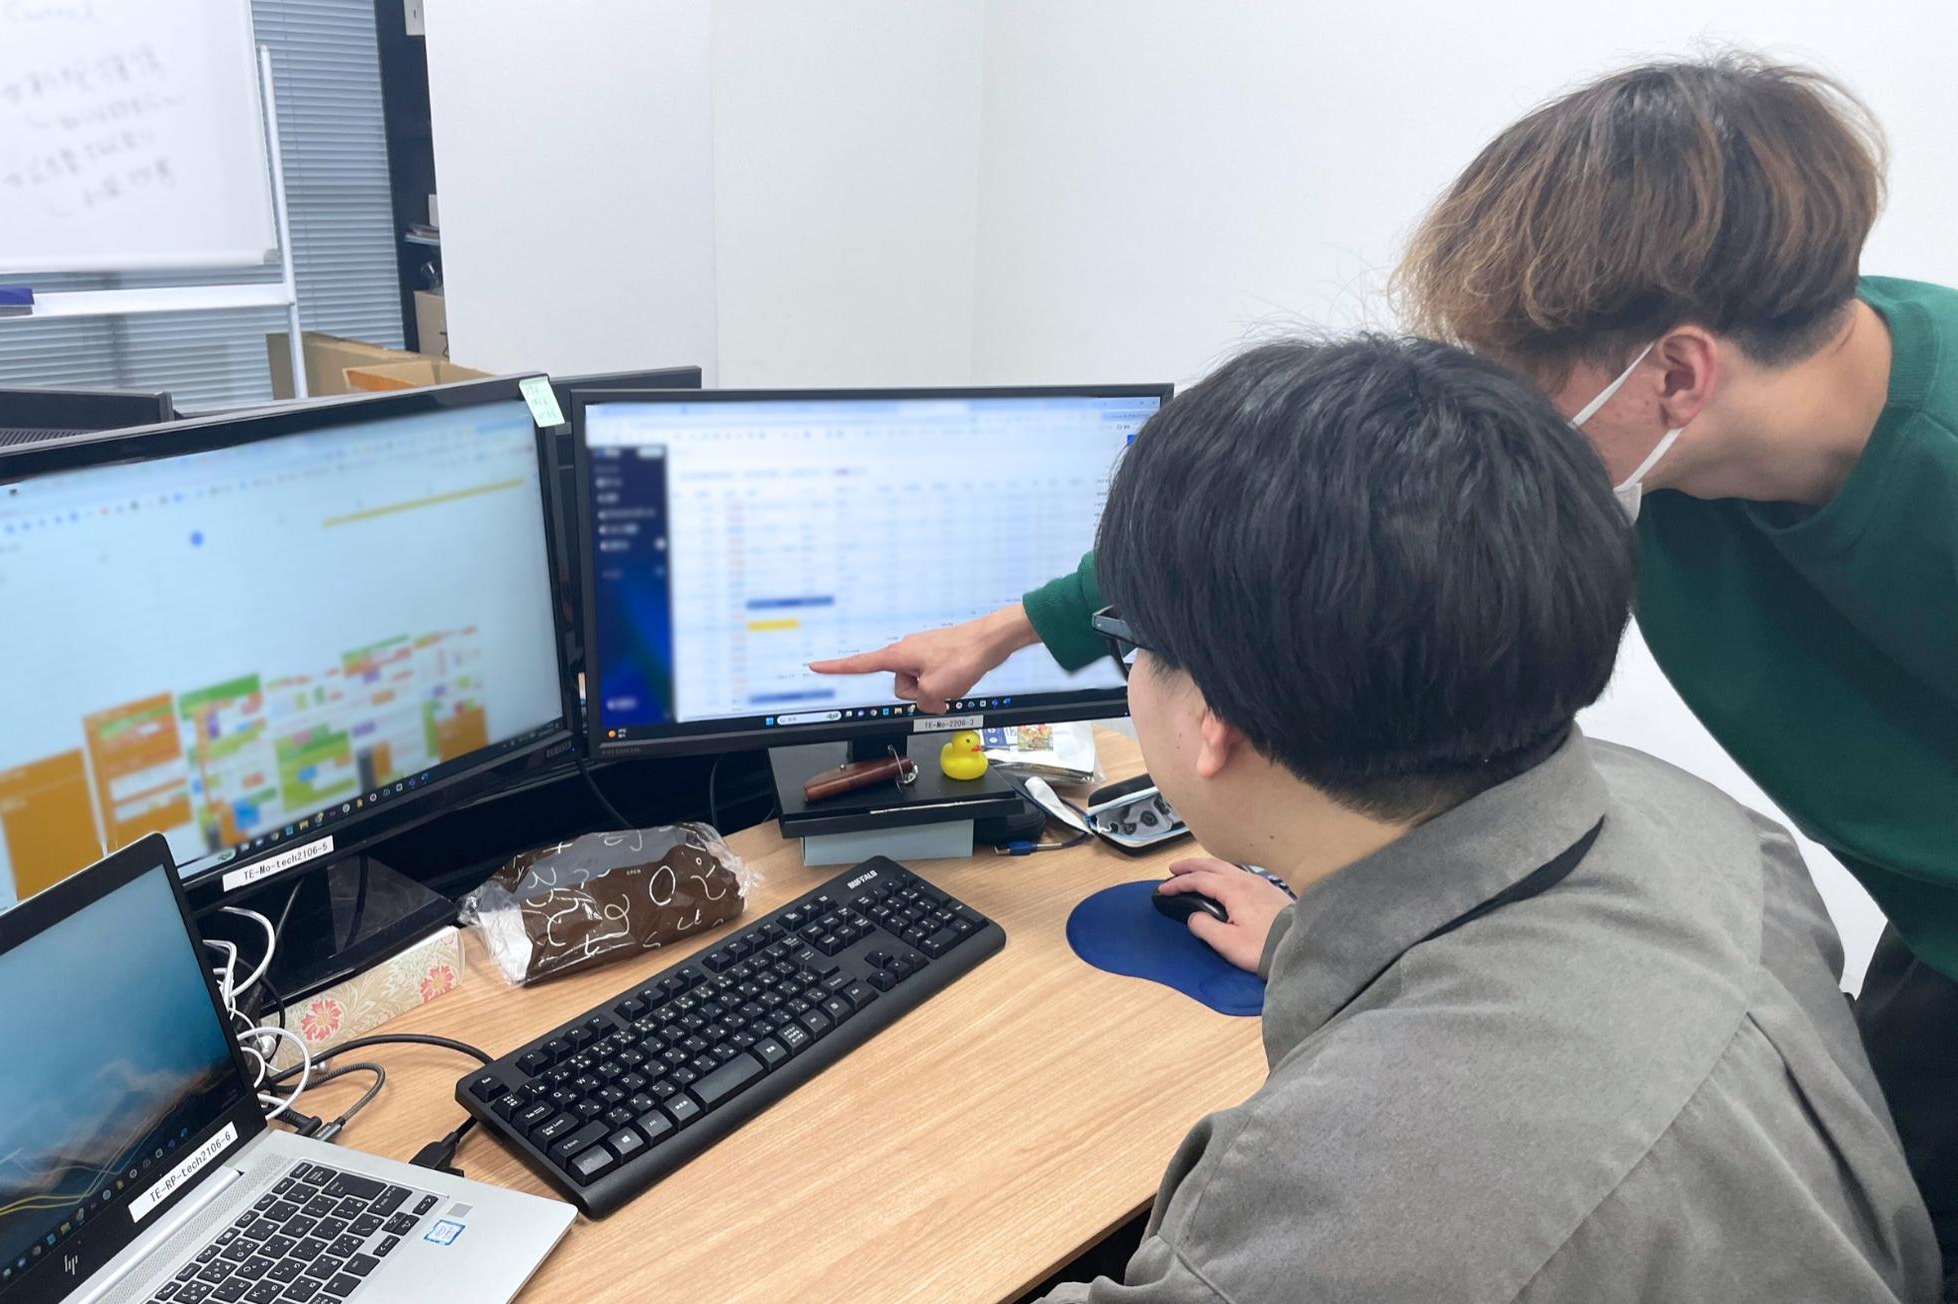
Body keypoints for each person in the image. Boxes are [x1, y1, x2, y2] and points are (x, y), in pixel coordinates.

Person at [811, 56, 1958, 1291]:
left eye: (1516, 383)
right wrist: (1012, 632)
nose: (1482, 427)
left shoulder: (1374, 1192)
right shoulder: (1723, 843)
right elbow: (1305, 516)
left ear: (1678, 376)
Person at [1017, 334, 1937, 1302]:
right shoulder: (1711, 830)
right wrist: (1314, 936)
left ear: (1216, 716)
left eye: (1128, 643)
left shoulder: (1348, 1203)